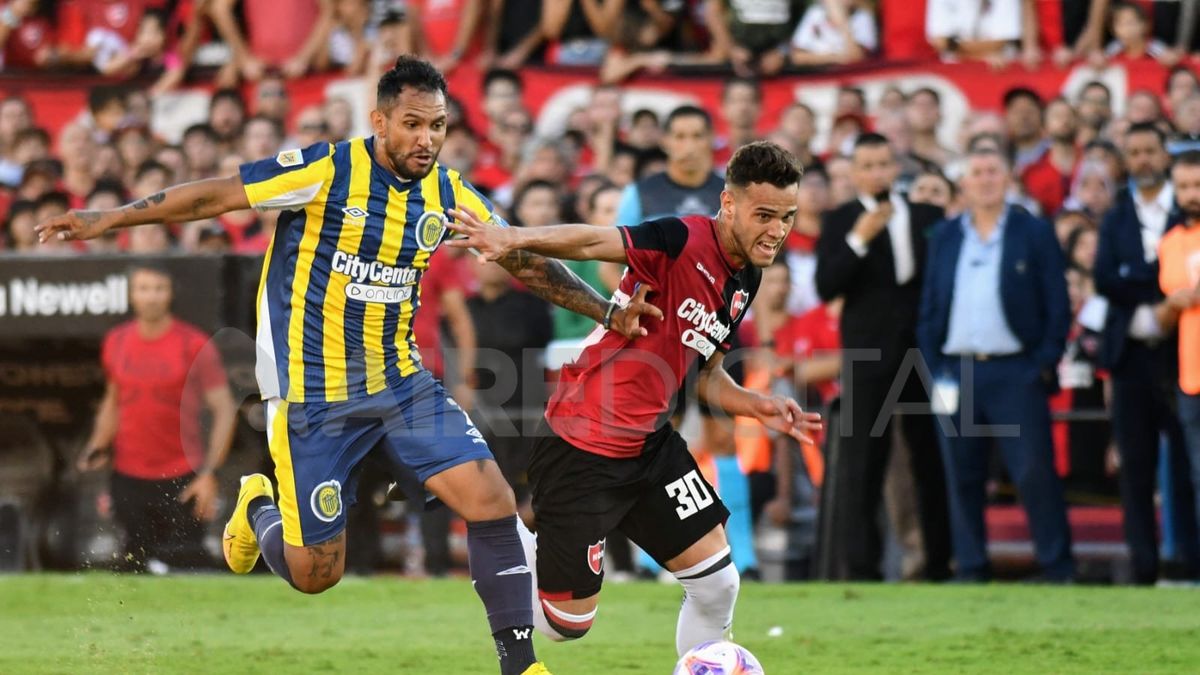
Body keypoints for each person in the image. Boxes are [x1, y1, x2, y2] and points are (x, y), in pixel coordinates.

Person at [36, 56, 657, 675]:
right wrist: (111, 217)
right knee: (315, 575)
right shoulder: (329, 169)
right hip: (315, 393)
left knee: (491, 498)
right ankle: (258, 505)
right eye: (413, 124)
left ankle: (522, 668)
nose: (427, 139)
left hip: (401, 382)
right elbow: (217, 195)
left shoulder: (449, 193)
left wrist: (608, 311)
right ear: (379, 121)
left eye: (438, 126)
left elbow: (522, 259)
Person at [444, 141, 821, 656]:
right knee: (563, 626)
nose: (777, 230)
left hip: (649, 447)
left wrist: (757, 404)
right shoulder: (681, 239)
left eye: (787, 217)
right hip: (582, 441)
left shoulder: (746, 276)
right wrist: (511, 236)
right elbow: (590, 242)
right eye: (765, 215)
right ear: (728, 204)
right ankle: (496, 528)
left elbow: (703, 371)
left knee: (718, 584)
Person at [918, 145, 1075, 583]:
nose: (985, 179)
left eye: (993, 171)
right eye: (977, 172)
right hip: (956, 370)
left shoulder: (1033, 231)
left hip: (1015, 371)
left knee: (1033, 471)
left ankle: (1058, 566)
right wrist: (933, 364)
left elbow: (1057, 304)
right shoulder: (946, 235)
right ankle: (970, 566)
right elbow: (931, 304)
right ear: (964, 183)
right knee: (961, 475)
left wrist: (1042, 362)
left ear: (1008, 179)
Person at [814, 132, 951, 581]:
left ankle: (939, 562)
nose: (875, 173)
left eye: (883, 164)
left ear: (896, 168)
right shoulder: (841, 221)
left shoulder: (930, 216)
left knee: (931, 457)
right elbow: (826, 286)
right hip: (868, 355)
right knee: (863, 461)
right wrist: (859, 238)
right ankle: (861, 567)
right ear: (854, 173)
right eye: (866, 165)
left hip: (925, 352)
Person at [78, 263, 237, 572]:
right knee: (132, 565)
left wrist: (208, 473)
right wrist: (96, 446)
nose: (151, 297)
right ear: (131, 296)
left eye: (158, 289)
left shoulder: (192, 343)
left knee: (185, 566)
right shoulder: (116, 341)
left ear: (170, 294)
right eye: (144, 289)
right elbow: (113, 401)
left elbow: (225, 408)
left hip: (182, 475)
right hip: (128, 476)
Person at [1094, 124, 1200, 584]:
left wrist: (1143, 282)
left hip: (1180, 353)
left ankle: (1189, 560)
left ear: (1165, 155)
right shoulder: (1116, 217)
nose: (1142, 159)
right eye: (1133, 152)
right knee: (1135, 467)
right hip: (1131, 356)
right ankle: (1143, 567)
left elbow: (1133, 279)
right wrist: (1159, 290)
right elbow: (1104, 280)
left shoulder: (1185, 214)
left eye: (1149, 151)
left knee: (1186, 464)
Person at [1162, 152, 1200, 530]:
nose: (1192, 195)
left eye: (1198, 186)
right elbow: (1163, 319)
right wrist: (1172, 305)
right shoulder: (1171, 243)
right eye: (1184, 187)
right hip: (1192, 377)